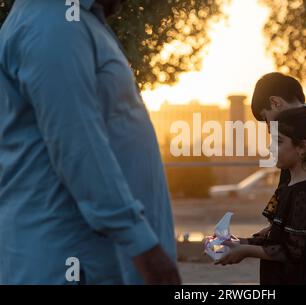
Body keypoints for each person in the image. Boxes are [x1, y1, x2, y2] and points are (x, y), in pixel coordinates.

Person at [0, 0, 180, 284]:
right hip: (62, 260)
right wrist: (146, 250)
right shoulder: (54, 23)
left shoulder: (71, 20)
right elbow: (79, 148)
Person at [217, 108, 306, 284]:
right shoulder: (287, 187)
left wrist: (245, 251)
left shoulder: (304, 193)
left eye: (279, 141)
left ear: (302, 148)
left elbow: (292, 251)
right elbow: (275, 237)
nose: (271, 147)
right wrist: (237, 243)